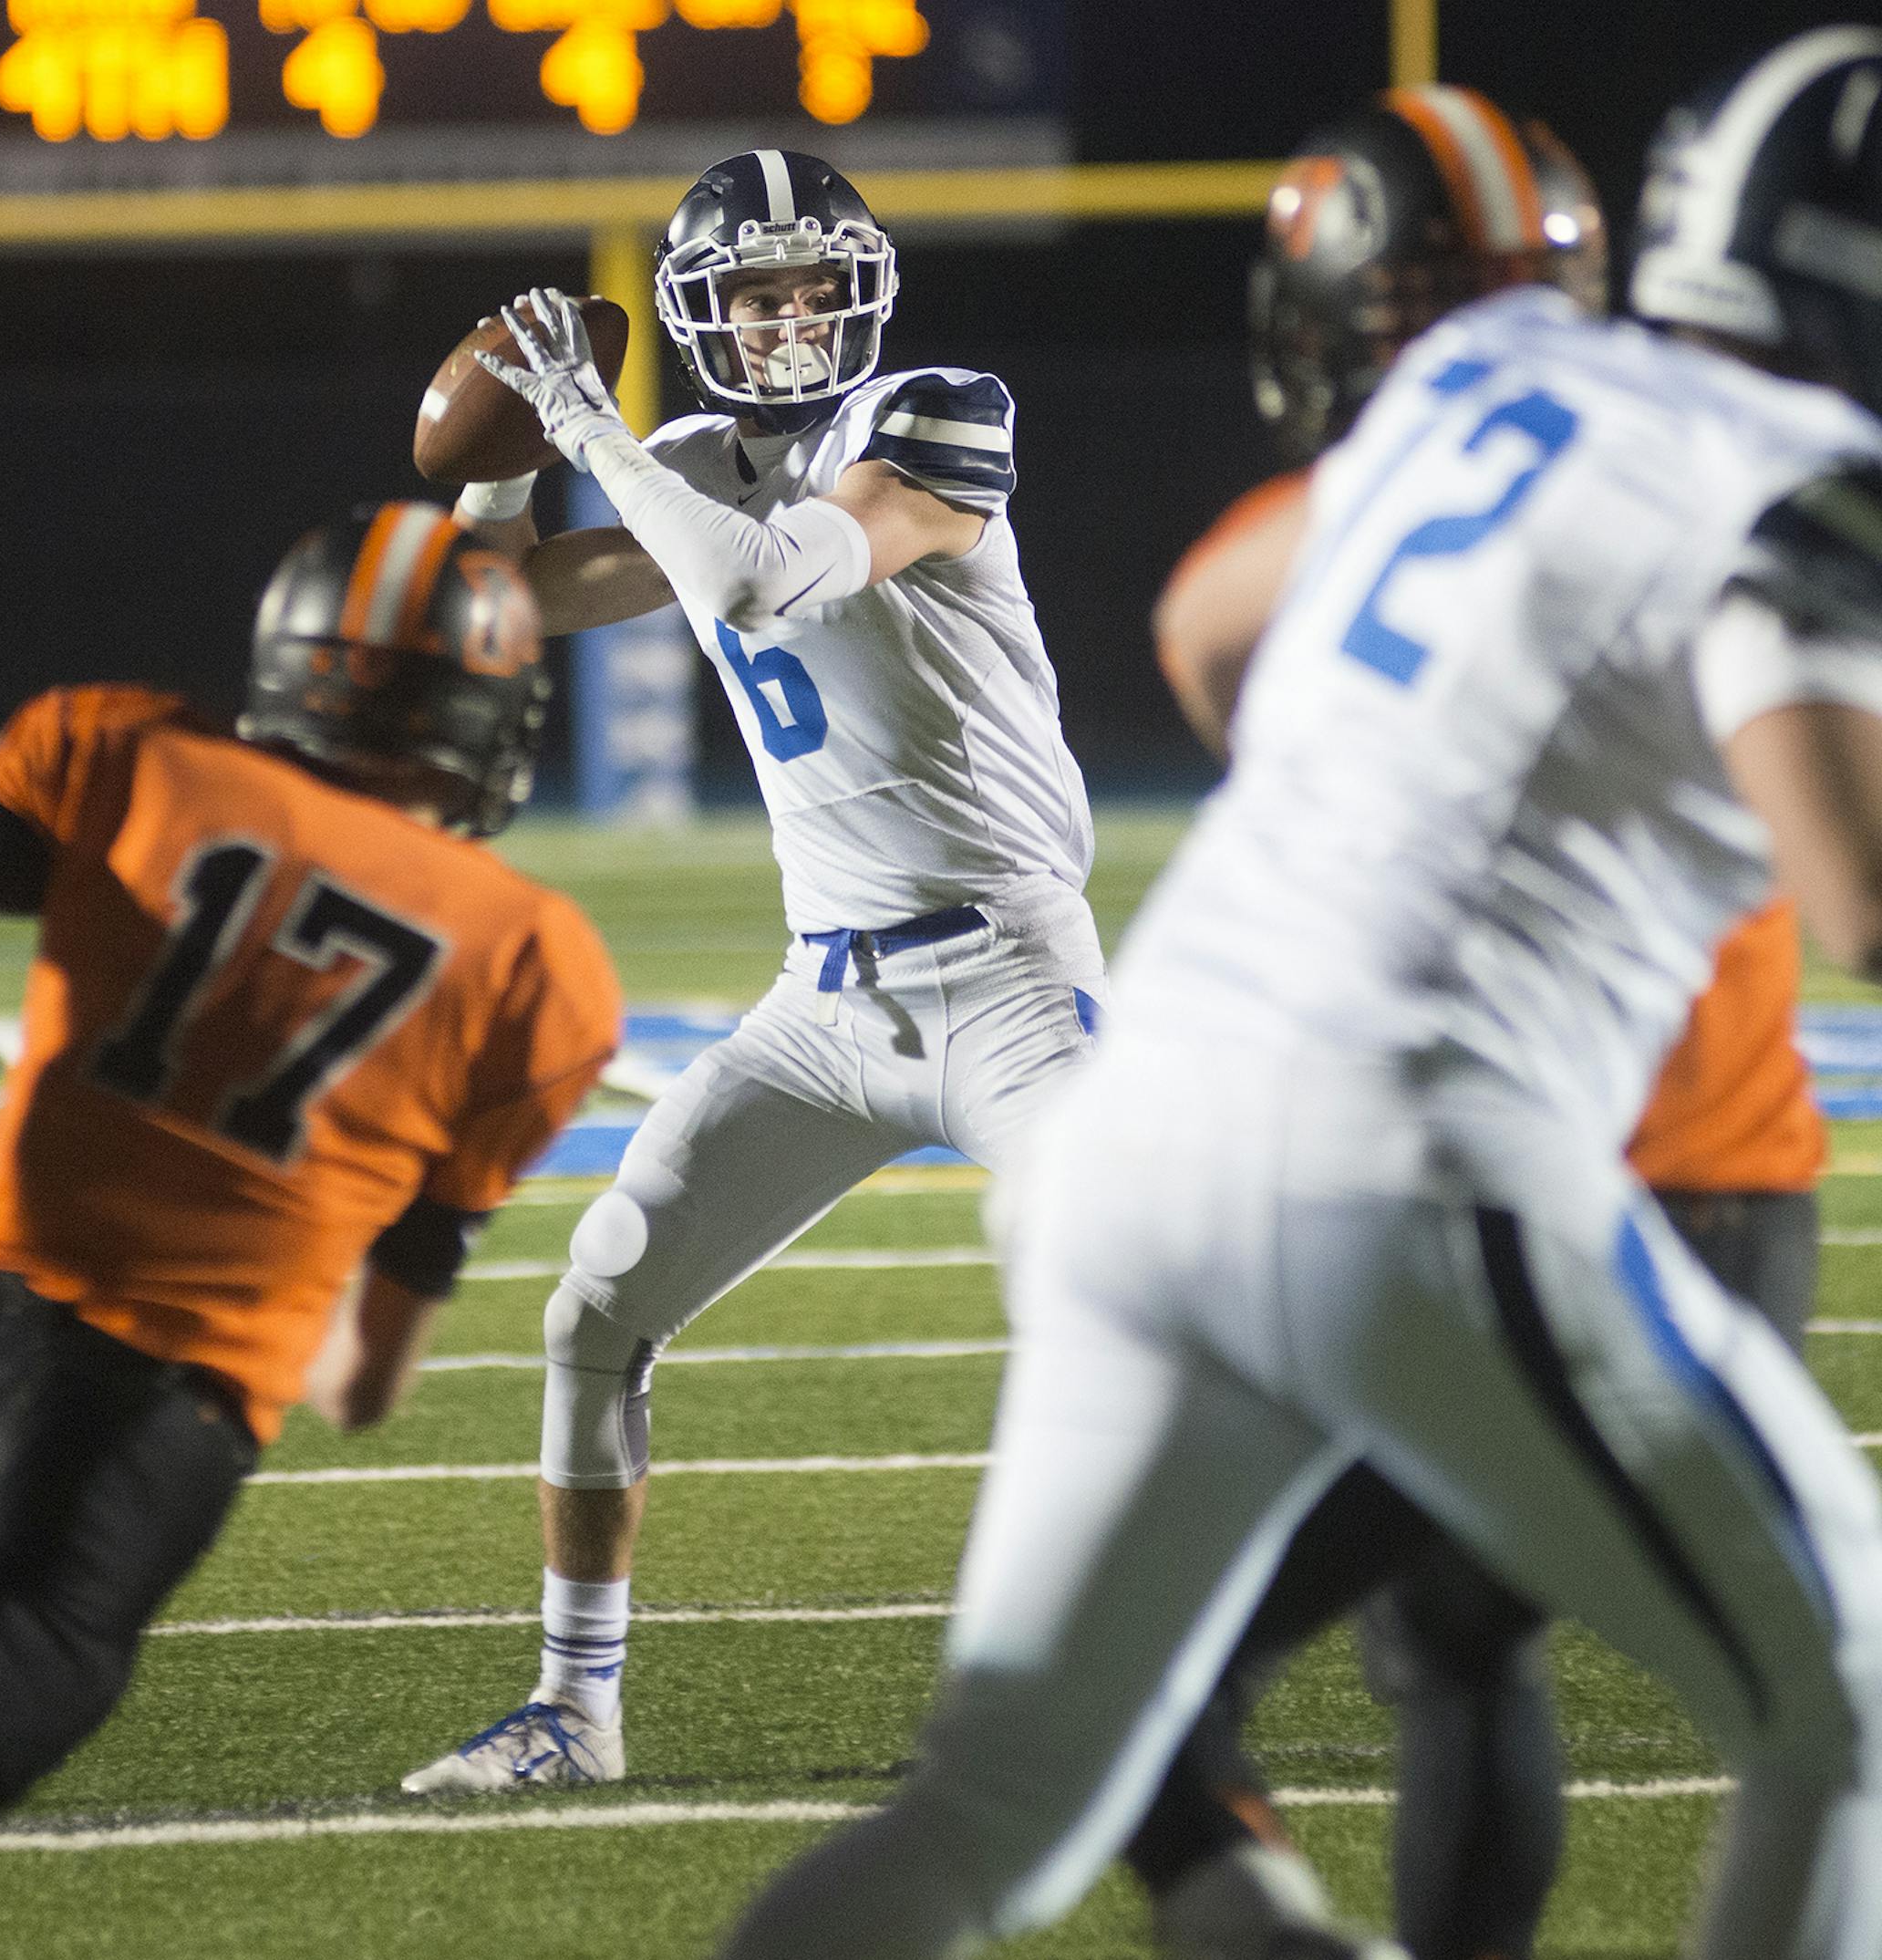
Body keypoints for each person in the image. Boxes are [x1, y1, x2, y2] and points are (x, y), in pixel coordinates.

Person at [714, 26, 1882, 1960]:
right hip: (1412, 1150)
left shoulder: (1497, 372)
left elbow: (1232, 621)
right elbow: (1856, 894)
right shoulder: (1802, 480)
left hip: (1143, 1128)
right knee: (1838, 1690)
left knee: (996, 1810)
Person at [1131, 89, 1825, 1960]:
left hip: (1521, 1170)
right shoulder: (1733, 442)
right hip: (1701, 1167)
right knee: (1462, 1639)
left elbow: (1202, 623)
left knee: (1163, 1655)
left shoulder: (1436, 462)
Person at [402, 150, 1104, 1795]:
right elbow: (483, 611)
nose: (790, 321)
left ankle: (1169, 1680)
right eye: (756, 292)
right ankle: (577, 1710)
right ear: (701, 312)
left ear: (860, 289)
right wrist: (504, 467)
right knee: (595, 1310)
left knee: (1149, 1304)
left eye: (813, 286)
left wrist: (575, 424)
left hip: (1007, 975)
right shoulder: (690, 458)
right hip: (825, 1002)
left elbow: (758, 574)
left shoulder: (936, 415)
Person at [0, 503, 622, 1830]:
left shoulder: (134, 754)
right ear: (479, 713)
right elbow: (362, 1380)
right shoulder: (535, 961)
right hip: (144, 1418)